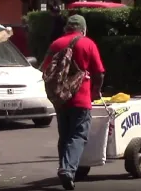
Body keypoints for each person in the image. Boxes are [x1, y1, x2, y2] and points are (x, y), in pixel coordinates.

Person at [42, 15, 105, 190]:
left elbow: (45, 70)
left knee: (65, 136)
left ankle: (64, 168)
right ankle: (67, 170)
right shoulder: (87, 43)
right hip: (81, 98)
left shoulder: (56, 44)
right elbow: (99, 72)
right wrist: (95, 90)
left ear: (66, 28)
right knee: (78, 135)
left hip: (60, 99)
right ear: (83, 29)